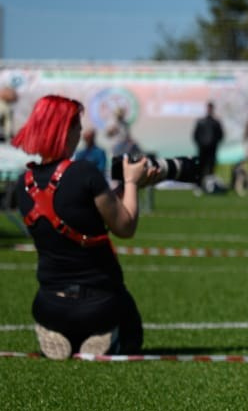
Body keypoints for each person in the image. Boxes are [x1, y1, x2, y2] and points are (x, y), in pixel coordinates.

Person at [12, 95, 163, 358]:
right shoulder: (84, 172)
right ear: (65, 131)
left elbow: (71, 208)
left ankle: (56, 331)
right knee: (132, 333)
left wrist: (129, 188)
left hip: (49, 303)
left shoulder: (23, 184)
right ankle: (106, 335)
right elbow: (124, 226)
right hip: (100, 302)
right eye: (77, 126)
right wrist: (131, 184)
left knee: (57, 311)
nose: (81, 132)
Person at [192, 102, 225, 191]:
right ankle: (198, 185)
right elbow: (195, 135)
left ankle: (209, 186)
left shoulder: (216, 122)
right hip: (202, 148)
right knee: (201, 167)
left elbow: (221, 135)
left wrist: (214, 143)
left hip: (212, 148)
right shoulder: (201, 121)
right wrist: (200, 143)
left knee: (211, 168)